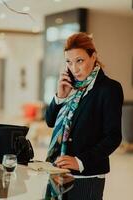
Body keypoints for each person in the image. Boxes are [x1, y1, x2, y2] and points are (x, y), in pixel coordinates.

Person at [45, 32, 123, 200]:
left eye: (79, 61)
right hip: (58, 171)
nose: (74, 68)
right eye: (69, 62)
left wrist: (80, 161)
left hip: (87, 176)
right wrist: (60, 96)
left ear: (93, 56)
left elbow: (113, 137)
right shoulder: (71, 87)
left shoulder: (109, 89)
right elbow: (50, 121)